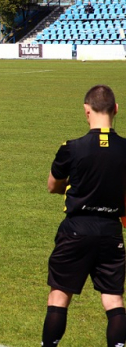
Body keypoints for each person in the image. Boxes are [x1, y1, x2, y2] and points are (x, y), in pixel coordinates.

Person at [41, 85, 126, 347]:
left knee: (59, 296)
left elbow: (53, 186)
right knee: (113, 299)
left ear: (86, 111)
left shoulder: (71, 148)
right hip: (111, 231)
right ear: (116, 109)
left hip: (76, 229)